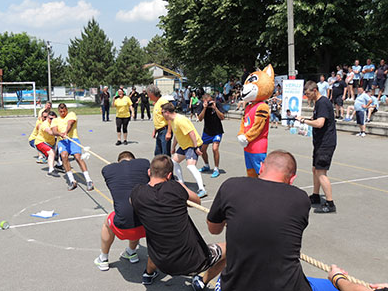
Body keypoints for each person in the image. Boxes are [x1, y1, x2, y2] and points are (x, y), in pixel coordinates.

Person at [208, 150, 312, 291]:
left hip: (235, 285)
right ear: (292, 179)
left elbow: (214, 229)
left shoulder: (231, 186)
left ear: (261, 167)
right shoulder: (301, 199)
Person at [130, 155, 226, 289]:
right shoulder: (175, 188)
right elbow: (196, 201)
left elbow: (132, 201)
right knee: (229, 248)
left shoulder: (137, 193)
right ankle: (202, 281)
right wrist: (181, 187)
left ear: (149, 172)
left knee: (158, 238)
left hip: (160, 261)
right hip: (193, 262)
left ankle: (148, 274)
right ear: (169, 175)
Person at [94, 151, 149, 271]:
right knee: (136, 212)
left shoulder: (107, 170)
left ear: (119, 161)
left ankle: (103, 258)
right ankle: (131, 252)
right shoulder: (144, 164)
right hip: (147, 226)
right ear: (133, 160)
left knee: (109, 219)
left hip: (124, 227)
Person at [297, 81, 337, 213]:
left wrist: (304, 121)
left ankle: (330, 204)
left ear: (314, 90)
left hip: (326, 143)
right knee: (315, 169)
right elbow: (318, 119)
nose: (307, 97)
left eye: (308, 94)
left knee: (321, 172)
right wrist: (305, 118)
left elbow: (320, 123)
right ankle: (315, 195)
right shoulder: (318, 103)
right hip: (319, 142)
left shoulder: (323, 103)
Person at [161, 102, 206, 197]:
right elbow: (177, 136)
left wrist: (196, 147)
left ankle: (202, 189)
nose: (162, 115)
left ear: (167, 112)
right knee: (173, 161)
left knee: (190, 166)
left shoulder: (180, 120)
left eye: (162, 113)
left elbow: (192, 133)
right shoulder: (172, 121)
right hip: (184, 146)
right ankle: (181, 183)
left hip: (192, 145)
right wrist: (173, 147)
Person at [51, 103, 94, 191]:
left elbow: (70, 123)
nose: (62, 113)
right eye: (61, 111)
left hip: (73, 139)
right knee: (63, 156)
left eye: (64, 111)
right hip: (62, 141)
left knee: (78, 157)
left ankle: (89, 180)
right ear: (58, 111)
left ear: (66, 110)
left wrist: (66, 132)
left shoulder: (71, 114)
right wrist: (60, 134)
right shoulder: (55, 120)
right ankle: (72, 181)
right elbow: (54, 131)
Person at [197, 93, 225, 178]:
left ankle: (216, 168)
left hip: (217, 131)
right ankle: (206, 165)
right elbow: (200, 118)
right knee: (202, 150)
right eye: (207, 101)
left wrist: (215, 108)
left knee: (215, 148)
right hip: (207, 131)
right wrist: (205, 108)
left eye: (209, 101)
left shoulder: (217, 104)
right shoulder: (202, 106)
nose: (209, 103)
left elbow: (222, 117)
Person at [147, 84, 173, 156]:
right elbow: (159, 118)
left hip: (165, 130)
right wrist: (155, 130)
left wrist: (169, 132)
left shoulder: (163, 102)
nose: (148, 96)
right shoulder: (157, 103)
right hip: (160, 131)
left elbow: (169, 117)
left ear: (152, 93)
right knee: (158, 153)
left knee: (165, 154)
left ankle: (167, 167)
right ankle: (159, 167)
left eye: (148, 94)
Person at [35, 111, 59, 177]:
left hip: (51, 143)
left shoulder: (55, 123)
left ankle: (59, 165)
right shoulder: (45, 124)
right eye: (50, 118)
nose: (52, 120)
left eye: (54, 119)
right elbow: (51, 132)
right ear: (47, 118)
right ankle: (51, 171)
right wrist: (60, 133)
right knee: (52, 153)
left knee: (57, 154)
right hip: (40, 142)